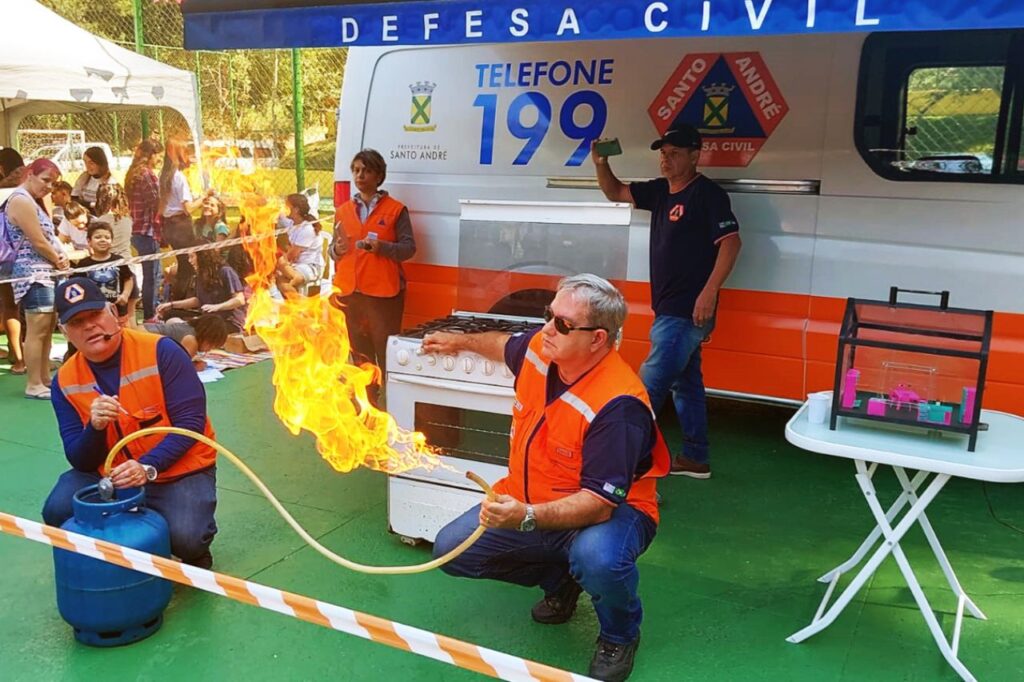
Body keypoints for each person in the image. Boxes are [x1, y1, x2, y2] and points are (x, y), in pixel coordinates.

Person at [426, 274, 670, 682]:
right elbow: (503, 345)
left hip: (615, 513)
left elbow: (599, 502)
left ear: (598, 339)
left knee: (599, 558)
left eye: (562, 323)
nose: (546, 329)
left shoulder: (619, 405)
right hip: (532, 500)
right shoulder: (543, 349)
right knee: (451, 550)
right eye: (548, 315)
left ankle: (619, 633)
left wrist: (525, 516)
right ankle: (561, 579)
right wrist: (460, 341)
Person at [592, 126, 742, 479]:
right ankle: (695, 457)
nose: (666, 160)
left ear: (695, 156)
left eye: (675, 154)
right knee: (686, 384)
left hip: (688, 311)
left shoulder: (708, 195)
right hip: (669, 308)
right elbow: (614, 191)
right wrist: (601, 162)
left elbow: (731, 243)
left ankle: (620, 467)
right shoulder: (660, 191)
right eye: (663, 153)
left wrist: (710, 292)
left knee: (645, 389)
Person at [42, 277, 218, 568]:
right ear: (65, 332)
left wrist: (148, 466)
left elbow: (190, 423)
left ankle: (193, 545)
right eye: (76, 322)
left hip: (178, 467)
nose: (89, 326)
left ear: (113, 312)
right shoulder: (64, 381)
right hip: (110, 471)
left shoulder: (162, 351)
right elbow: (79, 459)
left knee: (186, 537)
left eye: (95, 314)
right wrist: (94, 429)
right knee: (57, 510)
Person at [330, 149, 416, 373]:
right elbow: (333, 249)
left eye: (366, 171)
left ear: (379, 176)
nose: (360, 176)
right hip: (350, 293)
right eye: (356, 170)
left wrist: (382, 248)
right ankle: (367, 402)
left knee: (386, 351)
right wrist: (336, 250)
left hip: (383, 295)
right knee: (360, 354)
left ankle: (391, 399)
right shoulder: (343, 211)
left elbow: (409, 249)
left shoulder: (396, 210)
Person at [6, 158, 69, 399]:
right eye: (45, 180)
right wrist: (58, 259)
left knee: (47, 327)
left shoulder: (32, 200)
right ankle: (33, 383)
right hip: (33, 274)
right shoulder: (21, 200)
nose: (49, 187)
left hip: (45, 272)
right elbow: (37, 240)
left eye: (52, 183)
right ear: (29, 174)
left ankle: (44, 378)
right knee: (37, 330)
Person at [156, 248, 247, 334]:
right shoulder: (200, 275)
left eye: (192, 257)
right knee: (169, 313)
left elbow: (239, 300)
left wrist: (217, 307)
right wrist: (171, 305)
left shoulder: (225, 271)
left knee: (204, 326)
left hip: (228, 321)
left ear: (202, 257)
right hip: (208, 318)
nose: (189, 261)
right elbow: (198, 300)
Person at [159, 138, 210, 292]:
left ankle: (178, 298)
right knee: (188, 266)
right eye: (186, 153)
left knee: (182, 263)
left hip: (169, 225)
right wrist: (204, 197)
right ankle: (182, 299)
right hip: (181, 226)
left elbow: (163, 206)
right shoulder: (178, 177)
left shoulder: (164, 175)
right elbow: (188, 208)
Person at [125, 138, 163, 322]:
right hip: (147, 231)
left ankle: (151, 311)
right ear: (151, 155)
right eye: (158, 156)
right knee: (152, 276)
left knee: (152, 273)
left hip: (136, 230)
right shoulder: (147, 174)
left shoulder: (133, 173)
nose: (159, 160)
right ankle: (151, 315)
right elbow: (156, 202)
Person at [94, 183, 140, 327]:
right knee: (131, 316)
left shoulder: (99, 223)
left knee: (111, 318)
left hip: (108, 275)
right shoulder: (128, 220)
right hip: (129, 270)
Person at [76, 222, 134, 322]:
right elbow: (77, 285)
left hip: (118, 312)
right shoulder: (83, 264)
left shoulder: (119, 260)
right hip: (93, 313)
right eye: (98, 237)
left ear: (111, 241)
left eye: (107, 237)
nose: (103, 240)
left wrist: (125, 295)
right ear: (89, 241)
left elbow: (128, 279)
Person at [276, 193, 324, 297]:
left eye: (286, 206)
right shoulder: (292, 223)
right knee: (281, 281)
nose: (284, 209)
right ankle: (299, 308)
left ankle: (302, 308)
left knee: (278, 263)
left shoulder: (307, 229)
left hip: (310, 267)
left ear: (296, 210)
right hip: (295, 265)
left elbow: (291, 255)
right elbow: (278, 215)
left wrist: (281, 256)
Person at [144, 314, 229, 366]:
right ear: (207, 336)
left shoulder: (187, 327)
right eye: (211, 345)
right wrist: (195, 367)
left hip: (144, 330)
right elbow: (181, 368)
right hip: (144, 340)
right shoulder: (192, 340)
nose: (209, 350)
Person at [70, 146, 111, 214]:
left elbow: (103, 207)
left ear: (100, 163)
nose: (87, 166)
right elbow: (74, 198)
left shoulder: (109, 181)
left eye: (91, 163)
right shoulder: (85, 177)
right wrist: (90, 204)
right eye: (85, 162)